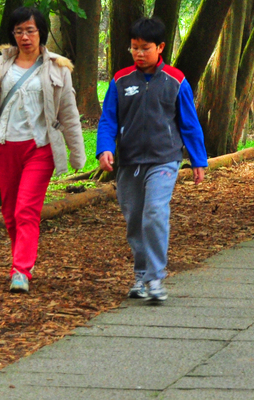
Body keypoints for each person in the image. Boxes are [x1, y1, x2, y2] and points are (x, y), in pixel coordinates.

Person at [0, 6, 86, 293]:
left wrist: (76, 152)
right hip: (4, 145)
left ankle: (20, 270)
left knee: (26, 210)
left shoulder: (58, 67)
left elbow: (68, 112)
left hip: (40, 148)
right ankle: (22, 259)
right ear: (13, 33)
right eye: (19, 30)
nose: (25, 37)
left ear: (41, 33)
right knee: (10, 212)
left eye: (30, 30)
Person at [97, 18, 209, 303]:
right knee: (135, 219)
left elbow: (190, 124)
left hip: (164, 159)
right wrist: (104, 149)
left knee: (155, 213)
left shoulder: (176, 80)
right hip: (129, 161)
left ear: (160, 47)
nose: (138, 53)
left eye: (145, 48)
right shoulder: (121, 80)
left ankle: (156, 279)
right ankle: (142, 275)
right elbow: (109, 119)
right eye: (134, 48)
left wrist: (198, 160)